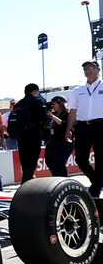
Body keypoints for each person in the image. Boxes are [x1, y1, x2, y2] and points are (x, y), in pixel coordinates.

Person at [67, 60, 103, 196]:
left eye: (91, 67)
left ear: (98, 69)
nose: (88, 70)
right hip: (82, 126)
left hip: (101, 125)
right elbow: (72, 111)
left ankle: (94, 192)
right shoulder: (78, 89)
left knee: (101, 160)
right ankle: (97, 181)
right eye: (85, 68)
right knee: (80, 159)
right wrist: (68, 130)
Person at [12, 83, 50, 183]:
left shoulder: (19, 103)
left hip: (21, 137)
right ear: (35, 91)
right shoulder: (37, 101)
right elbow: (45, 120)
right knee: (32, 162)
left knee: (24, 163)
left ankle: (26, 181)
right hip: (34, 136)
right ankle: (26, 185)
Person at [44, 95, 74, 177]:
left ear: (60, 104)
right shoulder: (52, 114)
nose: (52, 106)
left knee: (60, 163)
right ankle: (56, 177)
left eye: (54, 104)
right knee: (49, 162)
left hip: (63, 142)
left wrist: (53, 117)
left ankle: (63, 179)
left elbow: (63, 124)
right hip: (52, 142)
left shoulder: (67, 115)